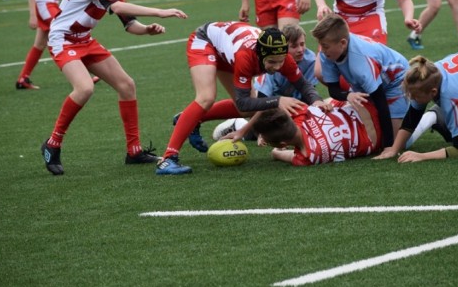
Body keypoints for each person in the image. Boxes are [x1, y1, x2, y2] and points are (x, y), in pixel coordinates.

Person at [40, 0, 188, 175]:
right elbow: (117, 7)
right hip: (63, 40)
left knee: (126, 85)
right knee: (84, 88)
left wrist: (148, 30)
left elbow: (130, 25)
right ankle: (52, 144)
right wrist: (160, 12)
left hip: (84, 40)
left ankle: (134, 151)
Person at [157, 23, 329, 176]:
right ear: (260, 55)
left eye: (280, 62)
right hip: (205, 40)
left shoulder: (283, 58)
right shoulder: (245, 57)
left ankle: (189, 119)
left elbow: (304, 86)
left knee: (249, 110)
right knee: (206, 97)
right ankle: (168, 159)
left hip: (225, 49)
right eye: (272, 62)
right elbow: (243, 101)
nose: (277, 67)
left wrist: (317, 101)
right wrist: (277, 100)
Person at [311, 14, 409, 149]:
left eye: (325, 46)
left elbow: (380, 101)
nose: (322, 49)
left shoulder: (360, 61)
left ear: (343, 43)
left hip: (396, 81)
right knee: (363, 120)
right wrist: (348, 95)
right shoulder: (326, 54)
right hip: (368, 83)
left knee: (399, 142)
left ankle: (430, 118)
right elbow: (333, 89)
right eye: (321, 45)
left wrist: (388, 147)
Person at [212, 24, 318, 141]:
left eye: (302, 44)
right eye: (294, 46)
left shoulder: (311, 60)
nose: (300, 50)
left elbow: (306, 90)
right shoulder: (269, 67)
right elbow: (262, 103)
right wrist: (245, 130)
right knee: (268, 134)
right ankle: (237, 125)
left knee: (307, 127)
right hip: (268, 107)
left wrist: (317, 102)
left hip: (292, 104)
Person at [253, 101, 382, 166]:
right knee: (327, 104)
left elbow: (277, 154)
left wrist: (274, 148)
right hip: (367, 107)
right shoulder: (302, 111)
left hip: (377, 140)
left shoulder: (307, 157)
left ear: (283, 144)